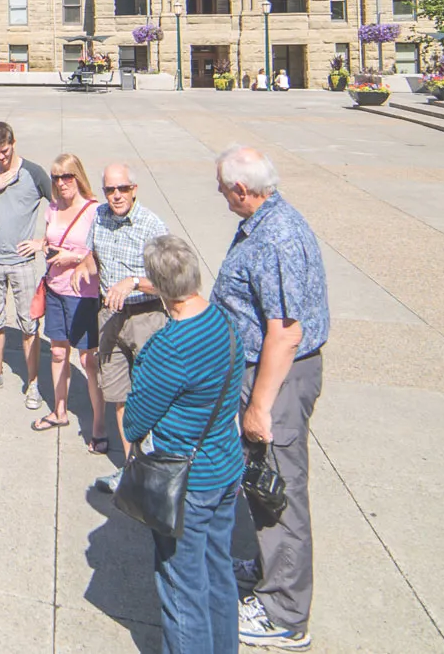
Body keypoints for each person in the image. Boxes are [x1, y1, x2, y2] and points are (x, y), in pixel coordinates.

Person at [211, 147, 329, 651]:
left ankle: (283, 612)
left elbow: (285, 332)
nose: (220, 195)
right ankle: (266, 566)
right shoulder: (268, 219)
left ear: (242, 189)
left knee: (278, 486)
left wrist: (259, 406)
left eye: (223, 187)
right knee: (262, 482)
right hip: (265, 371)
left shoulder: (277, 236)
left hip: (276, 377)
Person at [124, 235, 246, 654]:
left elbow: (136, 421)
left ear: (157, 286)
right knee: (218, 575)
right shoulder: (225, 323)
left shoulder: (170, 346)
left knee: (182, 590)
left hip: (187, 482)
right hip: (226, 469)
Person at [90, 161, 171, 492]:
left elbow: (169, 280)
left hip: (145, 316)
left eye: (123, 188)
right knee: (121, 397)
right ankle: (131, 470)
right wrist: (81, 262)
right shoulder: (99, 216)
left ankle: (162, 472)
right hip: (110, 316)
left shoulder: (152, 226)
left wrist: (134, 282)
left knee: (153, 394)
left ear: (134, 189)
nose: (116, 195)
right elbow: (93, 253)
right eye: (110, 189)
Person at [0, 121, 52, 407]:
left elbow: (61, 207)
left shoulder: (34, 173)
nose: (1, 158)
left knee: (29, 324)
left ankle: (33, 384)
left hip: (22, 262)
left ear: (13, 143)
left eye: (4, 151)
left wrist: (42, 243)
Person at [33, 152, 107, 446]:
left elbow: (101, 253)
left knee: (88, 360)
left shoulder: (94, 210)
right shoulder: (52, 208)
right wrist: (40, 245)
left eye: (67, 176)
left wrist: (73, 257)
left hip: (83, 294)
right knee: (57, 353)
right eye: (56, 177)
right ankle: (59, 410)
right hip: (55, 290)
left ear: (78, 177)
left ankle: (100, 424)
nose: (62, 183)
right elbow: (51, 240)